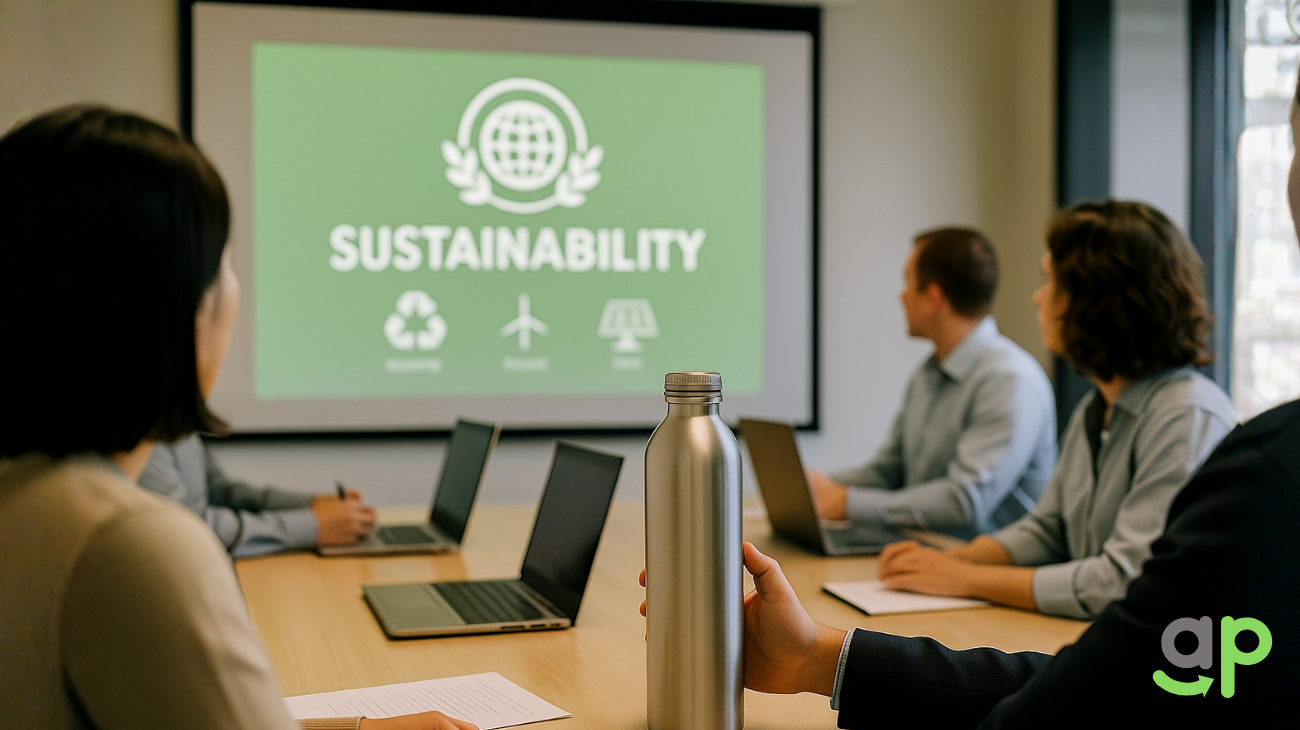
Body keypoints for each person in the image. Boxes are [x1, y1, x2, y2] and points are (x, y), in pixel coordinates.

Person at [0, 106, 475, 730]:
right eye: (222, 263)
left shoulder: (29, 497)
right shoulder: (131, 546)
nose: (234, 290)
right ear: (169, 303)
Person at [874, 201, 1237, 620]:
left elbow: (1123, 581)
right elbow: (1048, 530)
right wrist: (955, 560)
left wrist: (965, 578)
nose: (1038, 297)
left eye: (1050, 281)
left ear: (1097, 300)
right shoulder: (1096, 409)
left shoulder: (1187, 418)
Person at [808, 227, 1057, 539]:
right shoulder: (928, 373)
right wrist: (819, 488)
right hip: (923, 548)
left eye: (907, 282)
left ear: (933, 297)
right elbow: (890, 469)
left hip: (978, 563)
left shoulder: (1009, 380)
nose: (901, 296)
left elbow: (963, 500)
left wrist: (846, 503)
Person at [139, 434, 377, 558]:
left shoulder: (177, 419)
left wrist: (311, 505)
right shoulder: (141, 433)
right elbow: (185, 530)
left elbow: (220, 490)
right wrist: (311, 525)